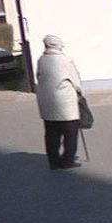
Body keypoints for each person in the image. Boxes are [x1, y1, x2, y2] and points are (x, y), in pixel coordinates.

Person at [35, 35, 84, 170]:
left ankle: (54, 161)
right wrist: (80, 94)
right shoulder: (65, 60)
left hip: (46, 102)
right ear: (58, 45)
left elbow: (38, 77)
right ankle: (67, 160)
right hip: (65, 102)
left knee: (51, 133)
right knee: (70, 133)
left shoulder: (41, 60)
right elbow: (76, 82)